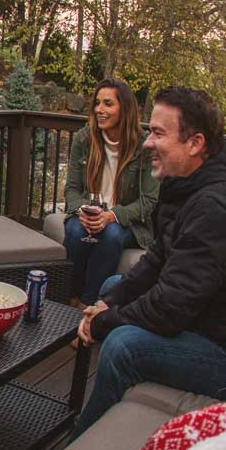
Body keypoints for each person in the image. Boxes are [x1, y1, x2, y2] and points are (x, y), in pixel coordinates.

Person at [71, 86, 226, 440]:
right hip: (206, 321)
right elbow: (157, 260)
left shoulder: (215, 208)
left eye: (157, 133)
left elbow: (172, 305)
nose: (146, 143)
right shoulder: (188, 185)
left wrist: (104, 322)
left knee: (123, 345)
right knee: (111, 287)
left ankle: (81, 443)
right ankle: (112, 400)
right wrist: (109, 303)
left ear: (195, 143)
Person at [63, 78, 158, 307]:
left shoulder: (144, 146)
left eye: (108, 104)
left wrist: (112, 215)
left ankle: (90, 304)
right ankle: (68, 297)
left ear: (123, 108)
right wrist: (81, 211)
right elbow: (72, 189)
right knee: (76, 230)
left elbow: (148, 200)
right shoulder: (85, 139)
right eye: (97, 103)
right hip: (89, 213)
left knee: (110, 234)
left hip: (128, 222)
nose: (99, 110)